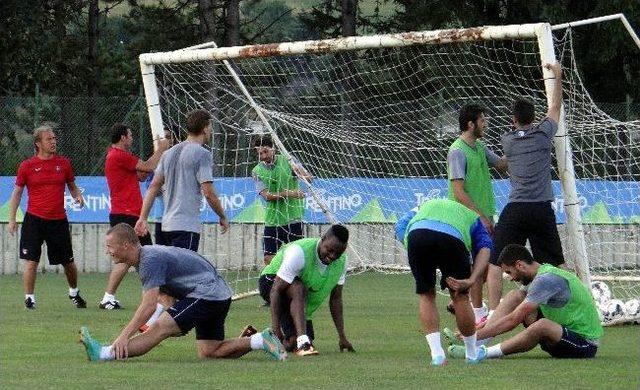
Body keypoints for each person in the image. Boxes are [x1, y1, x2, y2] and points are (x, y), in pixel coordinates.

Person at [79, 223, 287, 362]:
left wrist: (125, 335)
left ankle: (104, 354)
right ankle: (261, 340)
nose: (108, 251)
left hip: (207, 294)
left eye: (110, 246)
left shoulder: (149, 260)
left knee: (161, 328)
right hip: (217, 294)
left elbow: (149, 305)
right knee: (209, 351)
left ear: (125, 245)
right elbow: (166, 297)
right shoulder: (147, 257)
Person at [488, 62, 566, 313]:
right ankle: (564, 306)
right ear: (534, 118)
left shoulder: (507, 141)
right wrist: (558, 76)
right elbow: (555, 107)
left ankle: (491, 312)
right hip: (541, 208)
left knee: (495, 261)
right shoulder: (544, 134)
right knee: (553, 264)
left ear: (513, 120)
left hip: (517, 208)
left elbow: (503, 163)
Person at [447, 244, 603, 360]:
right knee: (515, 295)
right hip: (558, 336)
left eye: (509, 272)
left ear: (520, 265)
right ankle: (473, 344)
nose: (510, 277)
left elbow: (513, 319)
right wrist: (480, 329)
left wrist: (474, 333)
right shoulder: (540, 273)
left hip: (584, 344)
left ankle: (482, 353)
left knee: (542, 325)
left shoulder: (546, 280)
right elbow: (514, 309)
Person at [395, 198, 492, 366]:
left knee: (426, 295)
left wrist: (414, 249)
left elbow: (400, 226)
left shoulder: (424, 205)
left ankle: (437, 356)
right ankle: (471, 354)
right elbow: (485, 249)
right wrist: (471, 279)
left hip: (417, 235)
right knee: (460, 296)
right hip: (451, 238)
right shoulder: (475, 219)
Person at [7, 124, 87, 309]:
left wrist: (78, 196)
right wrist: (12, 219)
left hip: (58, 221)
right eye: (49, 139)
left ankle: (74, 293)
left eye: (54, 138)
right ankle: (29, 298)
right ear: (38, 143)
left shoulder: (64, 163)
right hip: (34, 220)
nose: (53, 142)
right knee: (31, 261)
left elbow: (72, 186)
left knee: (68, 262)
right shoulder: (27, 166)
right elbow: (17, 193)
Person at [135, 110, 229, 251]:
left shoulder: (167, 154)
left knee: (168, 272)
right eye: (210, 126)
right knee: (186, 272)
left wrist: (142, 218)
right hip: (185, 226)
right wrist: (222, 216)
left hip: (165, 227)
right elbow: (208, 193)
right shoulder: (202, 154)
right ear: (204, 128)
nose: (211, 130)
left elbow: (153, 187)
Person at [447, 103, 507, 324]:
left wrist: (521, 146)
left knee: (481, 268)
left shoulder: (479, 147)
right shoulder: (457, 151)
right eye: (482, 120)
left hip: (484, 217)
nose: (486, 124)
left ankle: (464, 305)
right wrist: (480, 216)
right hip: (467, 219)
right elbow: (458, 191)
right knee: (479, 266)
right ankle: (479, 315)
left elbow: (501, 164)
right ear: (471, 124)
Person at [99, 123, 169, 310]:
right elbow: (149, 166)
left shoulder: (120, 157)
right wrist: (161, 149)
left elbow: (140, 174)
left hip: (128, 212)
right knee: (137, 256)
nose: (132, 138)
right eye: (130, 135)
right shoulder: (118, 155)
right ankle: (110, 297)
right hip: (126, 213)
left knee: (140, 256)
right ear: (122, 137)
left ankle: (113, 297)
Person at [258, 224, 355, 356]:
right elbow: (276, 289)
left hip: (296, 299)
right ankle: (302, 341)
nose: (332, 256)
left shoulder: (342, 262)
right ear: (323, 238)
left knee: (292, 343)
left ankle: (257, 339)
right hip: (270, 282)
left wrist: (342, 337)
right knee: (299, 287)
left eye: (338, 253)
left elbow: (336, 299)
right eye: (329, 250)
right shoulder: (299, 252)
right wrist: (276, 330)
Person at [252, 134, 312, 265]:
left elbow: (309, 178)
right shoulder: (256, 171)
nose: (263, 156)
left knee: (298, 258)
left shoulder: (288, 160)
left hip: (293, 218)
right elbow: (267, 196)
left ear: (273, 148)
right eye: (260, 153)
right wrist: (288, 193)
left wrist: (299, 171)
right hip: (272, 220)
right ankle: (277, 281)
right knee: (269, 259)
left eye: (265, 151)